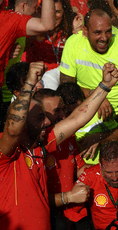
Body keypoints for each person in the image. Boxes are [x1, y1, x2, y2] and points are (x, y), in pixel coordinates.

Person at [0, 60, 118, 230]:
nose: (48, 121)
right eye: (40, 118)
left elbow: (77, 118)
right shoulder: (6, 154)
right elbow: (12, 130)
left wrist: (105, 86)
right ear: (23, 124)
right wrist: (28, 84)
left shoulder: (41, 145)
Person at [59, 9, 118, 163]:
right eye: (97, 32)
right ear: (85, 31)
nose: (104, 38)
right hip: (83, 115)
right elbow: (65, 86)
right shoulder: (73, 43)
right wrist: (95, 96)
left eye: (108, 31)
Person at [33, 88, 90, 230]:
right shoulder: (35, 147)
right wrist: (69, 197)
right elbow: (35, 199)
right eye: (56, 111)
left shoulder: (68, 137)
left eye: (63, 109)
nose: (63, 116)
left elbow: (78, 170)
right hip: (50, 217)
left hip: (75, 212)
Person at [65, 141, 118, 229]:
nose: (114, 178)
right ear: (100, 164)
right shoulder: (89, 176)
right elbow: (70, 213)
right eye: (108, 172)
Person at [0, 0, 41, 132]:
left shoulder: (23, 25)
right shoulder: (8, 22)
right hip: (4, 91)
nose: (36, 12)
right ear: (23, 6)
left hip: (11, 91)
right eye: (34, 8)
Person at [26, 0, 77, 71]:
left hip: (63, 79)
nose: (52, 15)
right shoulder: (35, 30)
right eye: (49, 11)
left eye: (57, 11)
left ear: (64, 13)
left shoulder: (70, 32)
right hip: (40, 79)